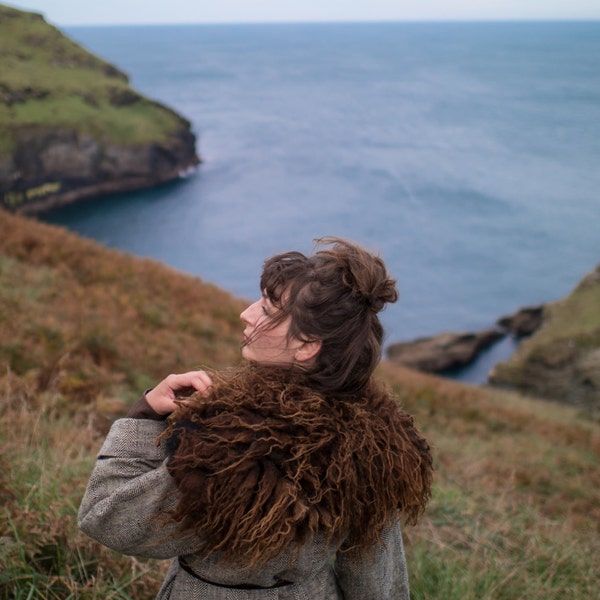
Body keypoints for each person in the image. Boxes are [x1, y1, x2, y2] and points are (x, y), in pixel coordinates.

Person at [78, 237, 433, 599]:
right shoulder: (377, 441)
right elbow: (376, 579)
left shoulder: (229, 452)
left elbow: (107, 518)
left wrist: (146, 414)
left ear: (307, 345)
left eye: (266, 309)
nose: (246, 313)